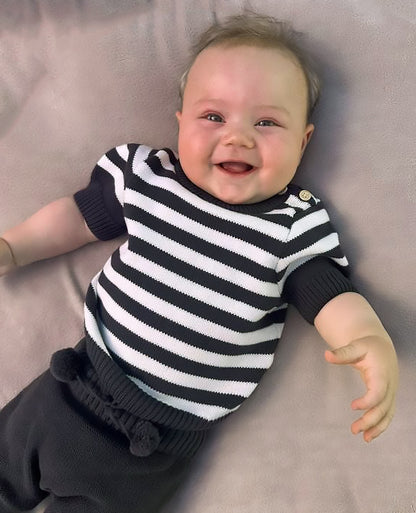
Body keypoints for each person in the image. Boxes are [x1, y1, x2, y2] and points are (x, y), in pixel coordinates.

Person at [0, 12, 398, 513]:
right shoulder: (150, 178)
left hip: (151, 449)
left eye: (267, 123)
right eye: (213, 117)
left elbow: (330, 296)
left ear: (303, 141)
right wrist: (14, 247)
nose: (238, 137)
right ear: (181, 123)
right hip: (72, 387)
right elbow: (77, 217)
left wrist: (368, 338)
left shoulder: (290, 226)